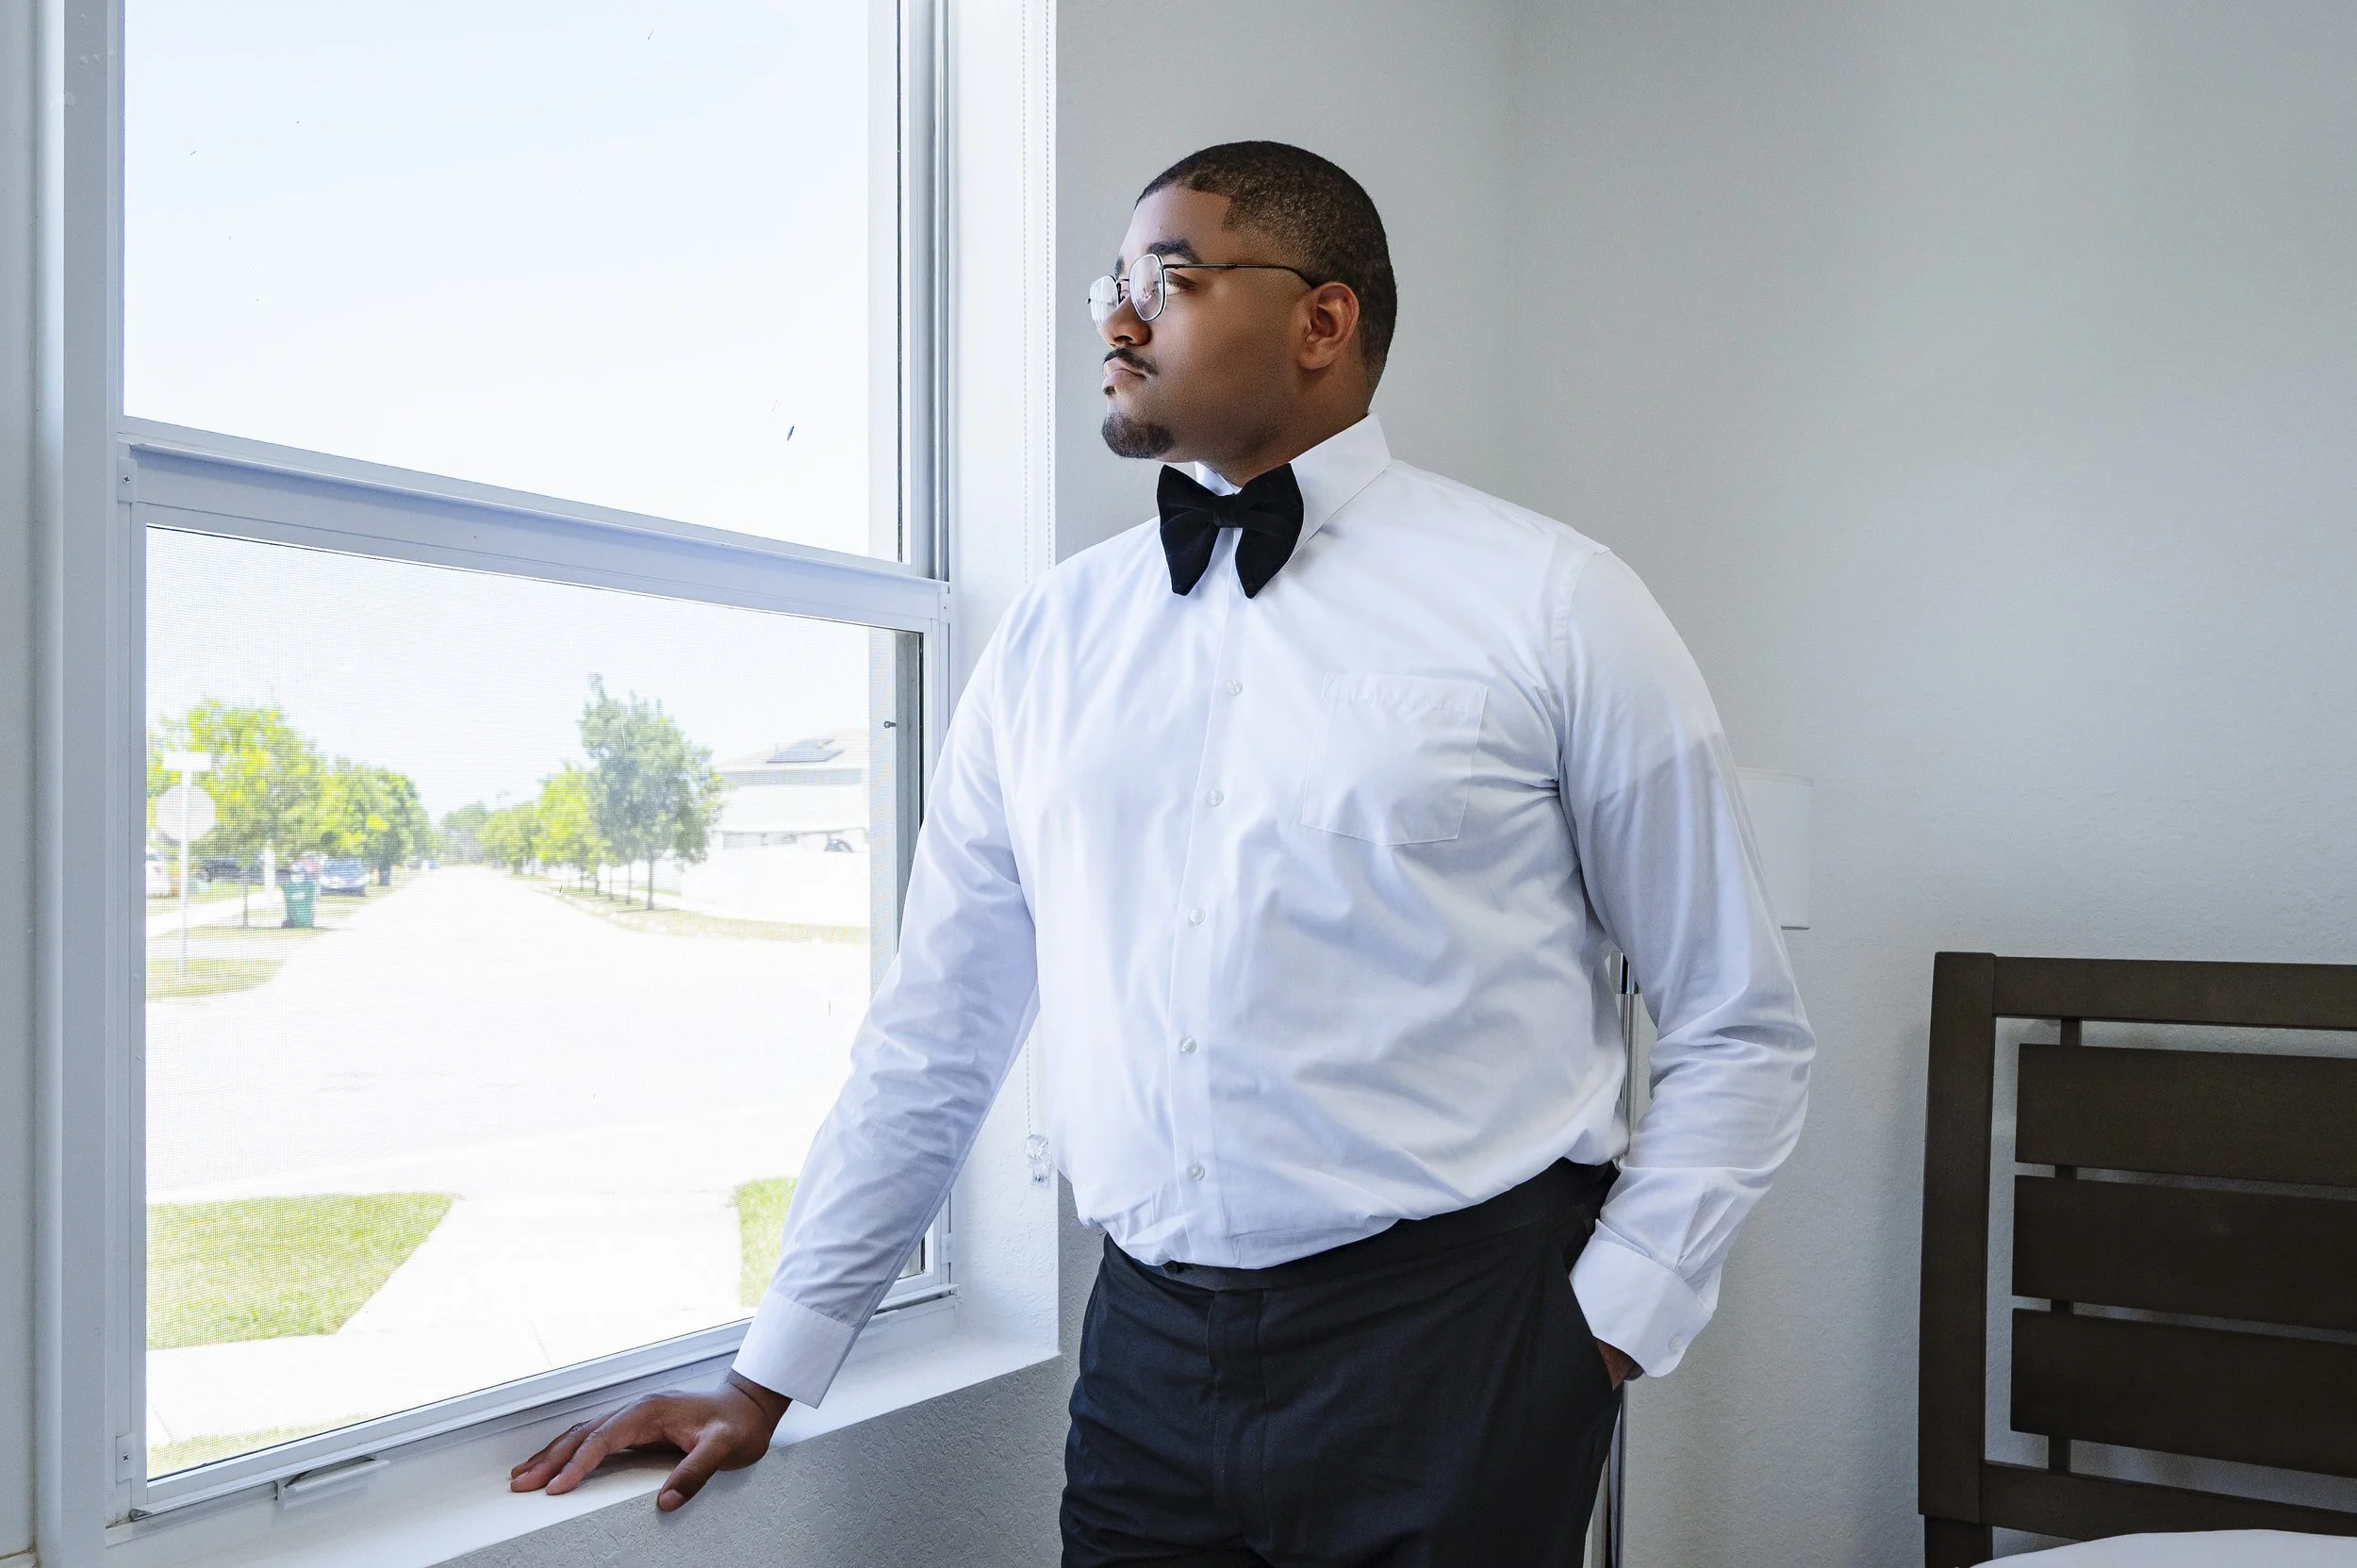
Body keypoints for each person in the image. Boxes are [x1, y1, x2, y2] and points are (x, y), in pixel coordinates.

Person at [512, 140, 1813, 1565]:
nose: (1119, 323)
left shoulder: (1558, 603)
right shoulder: (1052, 641)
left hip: (1461, 1348)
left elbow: (1738, 1021)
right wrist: (770, 1369)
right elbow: (938, 1028)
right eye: (1110, 289)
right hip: (1143, 1359)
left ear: (1324, 321)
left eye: (1170, 280)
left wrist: (1606, 1328)